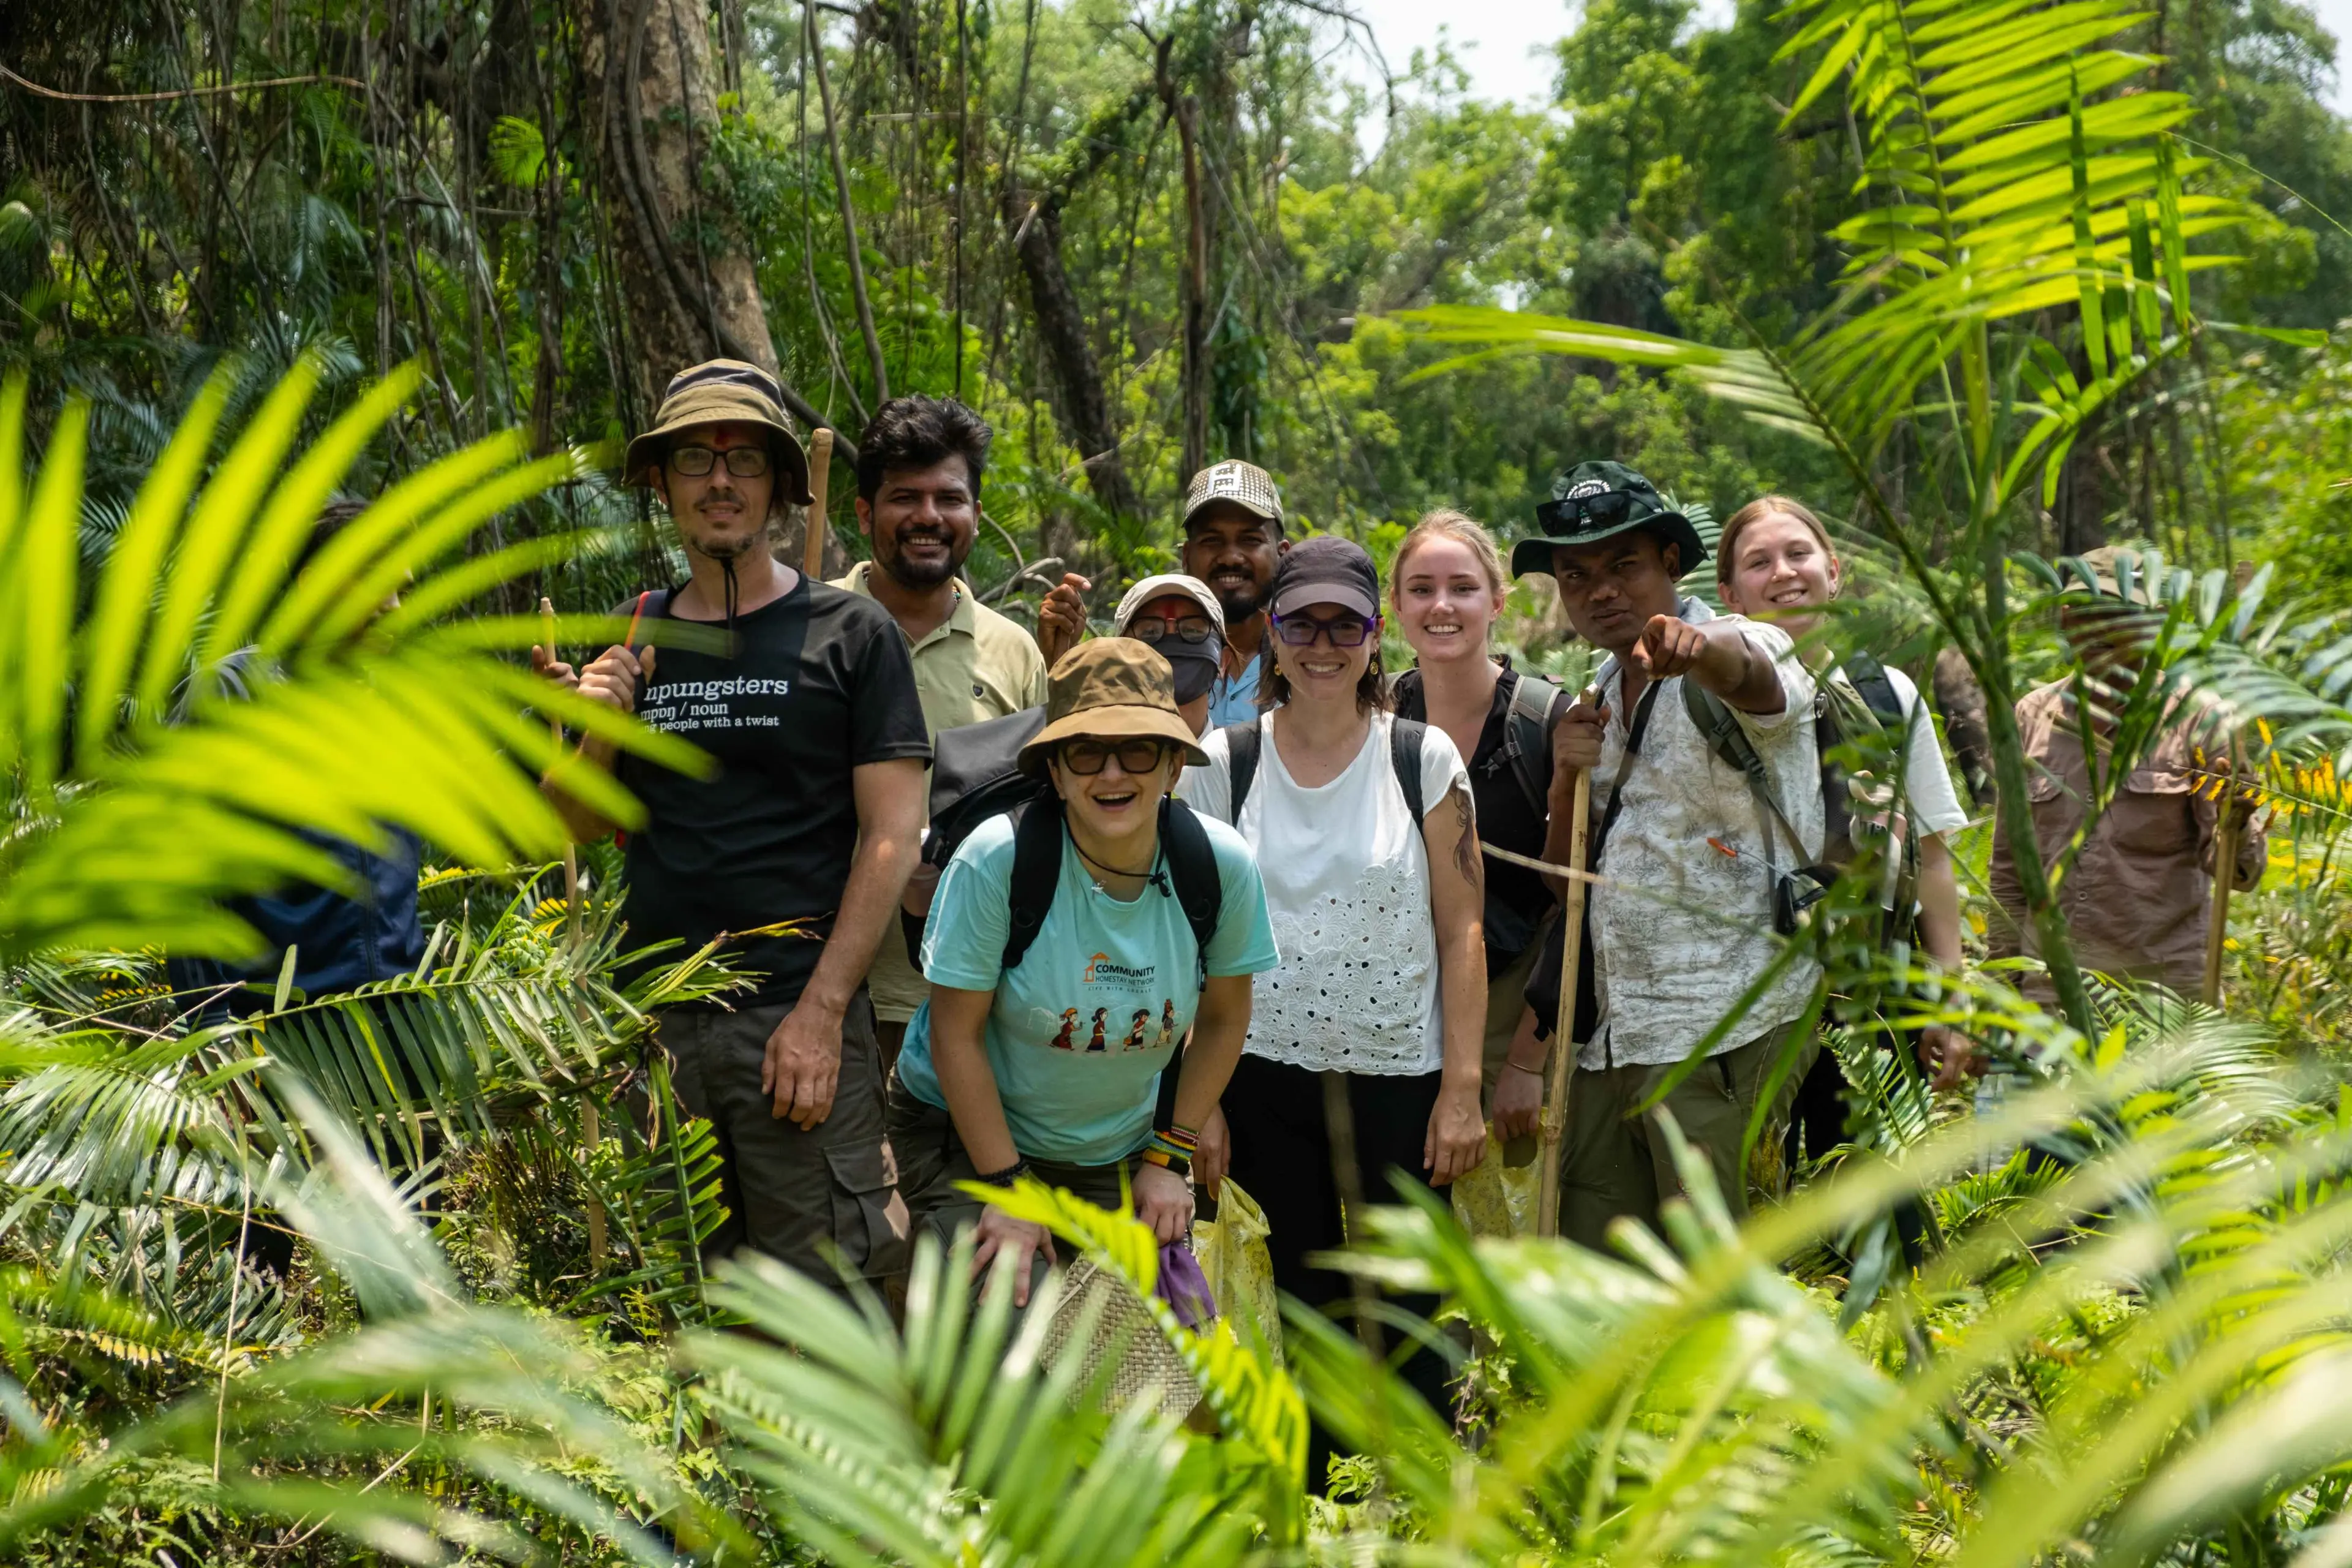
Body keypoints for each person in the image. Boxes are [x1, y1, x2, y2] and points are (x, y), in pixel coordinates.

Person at [535, 358, 930, 1295]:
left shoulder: (851, 634)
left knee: (830, 1318)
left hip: (796, 1026)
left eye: (744, 459)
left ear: (782, 488)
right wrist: (599, 733)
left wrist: (824, 1015)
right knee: (685, 1313)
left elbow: (891, 837)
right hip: (663, 1034)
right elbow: (579, 828)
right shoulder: (637, 639)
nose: (720, 480)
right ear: (663, 486)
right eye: (695, 460)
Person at [1177, 534, 1487, 1490]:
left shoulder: (1419, 756)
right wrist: (1203, 1103)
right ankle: (1323, 1508)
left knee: (1414, 1305)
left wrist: (1464, 1088)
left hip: (1402, 1071)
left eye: (1342, 622)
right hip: (1264, 1073)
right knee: (1306, 1299)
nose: (1322, 644)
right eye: (1300, 621)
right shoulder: (1223, 763)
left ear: (1373, 631)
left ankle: (1430, 1500)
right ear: (1269, 632)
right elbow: (1192, 939)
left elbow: (1463, 927)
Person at [890, 639, 1278, 1306]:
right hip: (968, 1134)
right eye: (1085, 751)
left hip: (1117, 1149)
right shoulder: (998, 862)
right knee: (1011, 1336)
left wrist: (1167, 1158)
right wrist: (1008, 1188)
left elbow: (1222, 1018)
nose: (1111, 773)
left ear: (1171, 767)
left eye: (1137, 749)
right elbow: (956, 1036)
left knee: (1155, 1366)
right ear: (1057, 772)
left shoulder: (1218, 865)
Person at [1515, 461, 1823, 1251]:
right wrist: (1562, 779)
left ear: (1672, 567)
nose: (1601, 590)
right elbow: (1565, 884)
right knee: (1603, 1282)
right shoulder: (1597, 696)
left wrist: (1701, 649)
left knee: (1721, 1280)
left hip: (1723, 1030)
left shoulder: (1747, 643)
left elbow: (1752, 673)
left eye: (1626, 566)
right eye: (1577, 574)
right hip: (1613, 1039)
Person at [1713, 496, 1974, 1121]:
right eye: (1759, 562)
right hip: (1745, 995)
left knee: (1877, 1197)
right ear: (1730, 594)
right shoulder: (1710, 701)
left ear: (1833, 571)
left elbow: (1932, 858)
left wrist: (1950, 995)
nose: (1783, 572)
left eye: (1798, 554)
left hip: (1874, 990)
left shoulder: (1887, 692)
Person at [833, 396, 1049, 1067]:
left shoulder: (1014, 652)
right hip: (831, 1000)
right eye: (905, 497)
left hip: (978, 1002)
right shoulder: (812, 633)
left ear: (976, 516)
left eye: (949, 498)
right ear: (866, 512)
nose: (928, 517)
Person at [1987, 545, 2267, 1003]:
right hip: (2049, 998)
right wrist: (1998, 990)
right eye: (2082, 608)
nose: (2097, 625)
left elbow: (2239, 874)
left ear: (2155, 621)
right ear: (2063, 618)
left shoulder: (2203, 721)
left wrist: (2236, 817)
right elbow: (2008, 869)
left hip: (2160, 1003)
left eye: (2116, 611)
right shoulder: (2032, 716)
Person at [1387, 511, 1573, 1175]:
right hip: (1400, 1012)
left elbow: (1579, 906)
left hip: (1518, 1009)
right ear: (1396, 607)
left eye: (1463, 588)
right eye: (1421, 588)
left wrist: (1528, 1059)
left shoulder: (1544, 722)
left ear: (1497, 601)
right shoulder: (1377, 721)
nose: (1442, 605)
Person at [1036, 460, 1286, 728]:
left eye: (1250, 540)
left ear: (1283, 554)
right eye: (1212, 540)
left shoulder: (1306, 657)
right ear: (1187, 557)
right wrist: (1059, 660)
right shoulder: (1143, 654)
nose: (1230, 557)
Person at [1111, 573, 1227, 738]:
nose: (1172, 639)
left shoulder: (1243, 759)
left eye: (1192, 630)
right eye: (1150, 632)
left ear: (1224, 660)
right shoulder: (1094, 757)